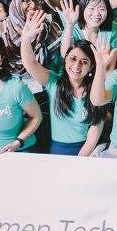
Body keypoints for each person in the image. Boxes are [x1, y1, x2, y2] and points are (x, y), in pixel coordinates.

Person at [20, 8, 102, 156]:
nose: (77, 65)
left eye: (84, 62)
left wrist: (78, 162)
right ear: (65, 61)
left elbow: (92, 138)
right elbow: (30, 63)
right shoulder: (54, 82)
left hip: (85, 153)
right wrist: (26, 37)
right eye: (73, 59)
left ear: (91, 67)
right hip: (57, 150)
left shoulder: (96, 92)